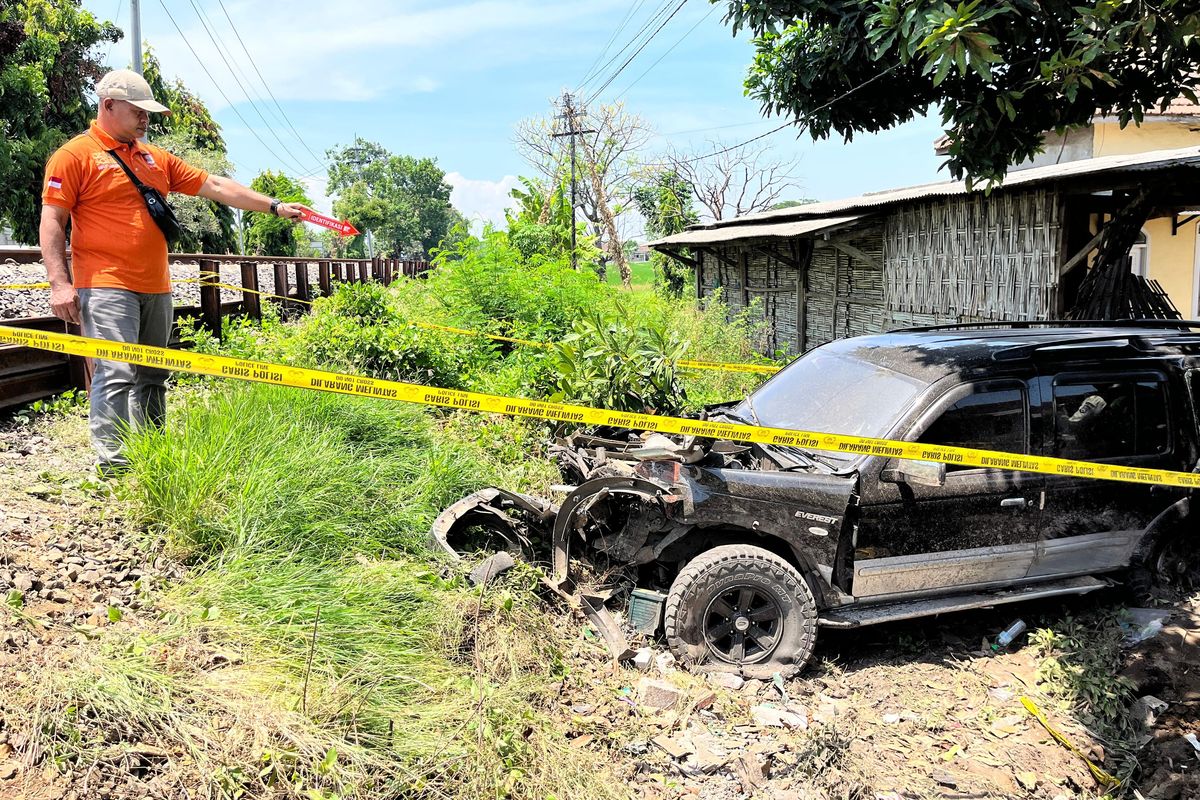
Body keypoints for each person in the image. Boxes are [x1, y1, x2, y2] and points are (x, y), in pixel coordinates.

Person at [39, 69, 307, 475]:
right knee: (115, 371)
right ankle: (115, 465)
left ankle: (151, 451)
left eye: (149, 113)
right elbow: (52, 220)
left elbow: (214, 185)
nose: (146, 120)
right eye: (138, 111)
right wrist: (60, 283)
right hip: (106, 283)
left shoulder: (153, 157)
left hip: (156, 286)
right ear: (108, 105)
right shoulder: (74, 155)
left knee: (153, 374)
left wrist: (272, 205)